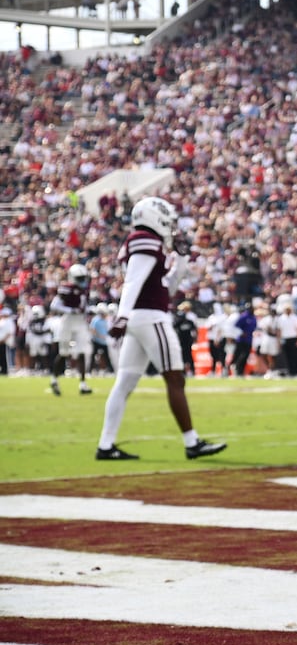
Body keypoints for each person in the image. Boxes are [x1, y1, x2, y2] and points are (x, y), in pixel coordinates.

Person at [95, 196, 226, 461]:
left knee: (124, 383)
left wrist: (180, 258)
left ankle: (105, 446)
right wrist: (122, 315)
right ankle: (192, 442)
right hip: (150, 318)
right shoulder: (144, 238)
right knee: (175, 378)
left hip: (142, 316)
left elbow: (169, 288)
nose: (170, 226)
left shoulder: (149, 243)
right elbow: (132, 282)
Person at [49, 263, 94, 395]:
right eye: (80, 278)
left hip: (80, 321)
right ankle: (54, 380)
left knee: (82, 351)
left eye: (83, 277)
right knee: (64, 352)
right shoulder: (66, 288)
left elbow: (84, 305)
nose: (83, 280)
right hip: (68, 320)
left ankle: (83, 384)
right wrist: (71, 310)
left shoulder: (85, 289)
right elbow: (55, 305)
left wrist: (90, 310)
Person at [173, 301, 198, 375]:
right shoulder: (178, 316)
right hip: (181, 338)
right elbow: (175, 325)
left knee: (189, 355)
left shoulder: (192, 316)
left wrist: (195, 338)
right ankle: (183, 371)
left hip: (188, 339)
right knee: (182, 355)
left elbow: (194, 328)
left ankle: (192, 370)